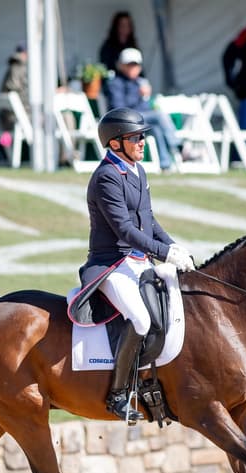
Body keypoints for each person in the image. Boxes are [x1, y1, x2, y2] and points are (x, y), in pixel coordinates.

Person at [78, 107, 194, 423]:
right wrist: (164, 253)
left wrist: (173, 246)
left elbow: (148, 220)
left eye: (143, 136)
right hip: (111, 265)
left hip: (140, 262)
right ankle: (117, 395)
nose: (142, 142)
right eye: (135, 138)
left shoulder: (137, 171)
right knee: (141, 321)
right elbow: (125, 230)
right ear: (115, 143)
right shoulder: (106, 177)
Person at [103, 47, 180, 170]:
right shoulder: (115, 83)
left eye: (135, 65)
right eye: (129, 65)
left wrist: (145, 97)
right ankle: (178, 145)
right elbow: (119, 109)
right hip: (123, 121)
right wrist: (139, 94)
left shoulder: (140, 82)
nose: (133, 68)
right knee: (159, 115)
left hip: (138, 121)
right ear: (121, 66)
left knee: (157, 129)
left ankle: (165, 164)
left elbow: (145, 107)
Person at [0, 42, 29, 150]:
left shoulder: (12, 66)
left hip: (8, 115)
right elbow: (14, 89)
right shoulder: (19, 66)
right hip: (16, 115)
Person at [99, 11, 141, 75]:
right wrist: (120, 66)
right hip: (115, 78)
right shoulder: (108, 47)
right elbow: (104, 67)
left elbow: (139, 67)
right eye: (122, 25)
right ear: (116, 27)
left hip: (133, 79)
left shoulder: (133, 45)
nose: (125, 28)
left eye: (127, 25)